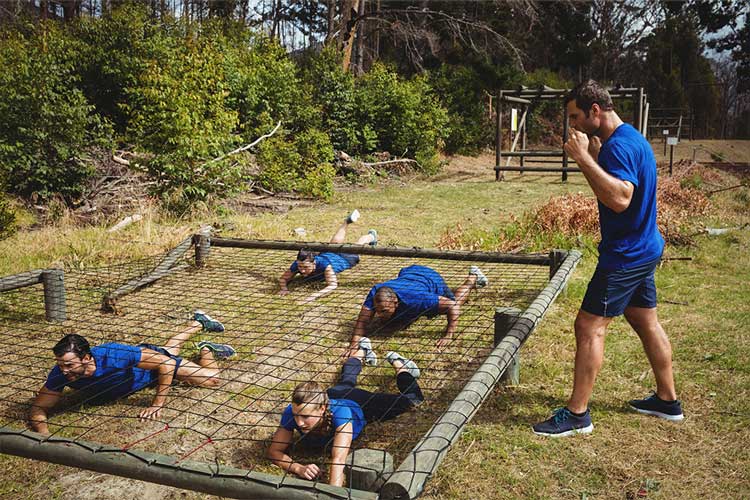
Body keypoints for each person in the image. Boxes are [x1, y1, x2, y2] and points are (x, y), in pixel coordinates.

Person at [533, 80, 683, 438]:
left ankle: (577, 414)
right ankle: (667, 401)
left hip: (626, 256)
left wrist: (584, 158)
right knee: (645, 320)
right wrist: (596, 156)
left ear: (595, 111)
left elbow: (620, 198)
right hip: (646, 247)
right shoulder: (630, 137)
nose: (573, 125)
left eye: (575, 116)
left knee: (588, 326)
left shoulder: (618, 148)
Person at [28, 311, 235, 435]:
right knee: (169, 349)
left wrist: (157, 404)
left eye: (69, 366)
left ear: (87, 358)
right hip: (147, 365)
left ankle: (206, 348)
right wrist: (45, 436)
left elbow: (166, 364)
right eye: (61, 365)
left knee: (211, 379)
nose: (64, 371)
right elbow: (39, 407)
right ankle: (199, 322)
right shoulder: (60, 373)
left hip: (155, 368)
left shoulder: (114, 354)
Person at [266, 338, 422, 487]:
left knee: (412, 399)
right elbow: (274, 451)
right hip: (334, 393)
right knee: (346, 381)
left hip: (359, 403)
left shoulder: (342, 415)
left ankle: (400, 364)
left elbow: (338, 459)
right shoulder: (293, 411)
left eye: (306, 416)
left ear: (322, 409)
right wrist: (298, 468)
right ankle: (363, 350)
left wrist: (334, 494)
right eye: (296, 415)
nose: (299, 422)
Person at [348, 264, 488, 352]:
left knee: (456, 301)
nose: (378, 314)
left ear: (396, 302)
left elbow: (452, 306)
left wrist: (448, 335)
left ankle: (473, 277)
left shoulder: (417, 299)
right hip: (410, 272)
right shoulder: (375, 292)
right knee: (390, 323)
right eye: (377, 310)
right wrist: (354, 344)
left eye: (383, 311)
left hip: (431, 278)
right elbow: (362, 321)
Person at [278, 209, 378, 304]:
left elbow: (333, 285)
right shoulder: (298, 263)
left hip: (345, 259)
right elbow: (283, 279)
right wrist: (284, 289)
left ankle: (371, 236)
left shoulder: (325, 265)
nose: (302, 270)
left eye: (306, 267)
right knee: (334, 244)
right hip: (329, 253)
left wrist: (313, 296)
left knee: (358, 245)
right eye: (300, 267)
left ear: (314, 263)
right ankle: (346, 222)